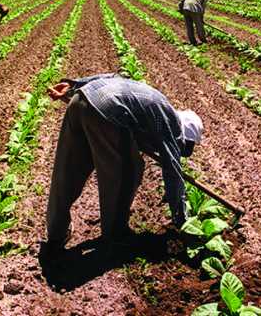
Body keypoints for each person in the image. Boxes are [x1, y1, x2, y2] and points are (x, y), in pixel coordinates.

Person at [44, 73, 204, 254]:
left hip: (80, 99)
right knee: (128, 172)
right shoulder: (170, 122)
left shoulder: (154, 103)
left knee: (68, 170)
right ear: (185, 135)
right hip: (106, 112)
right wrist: (182, 220)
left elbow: (114, 77)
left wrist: (74, 86)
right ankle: (116, 234)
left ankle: (56, 232)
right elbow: (173, 170)